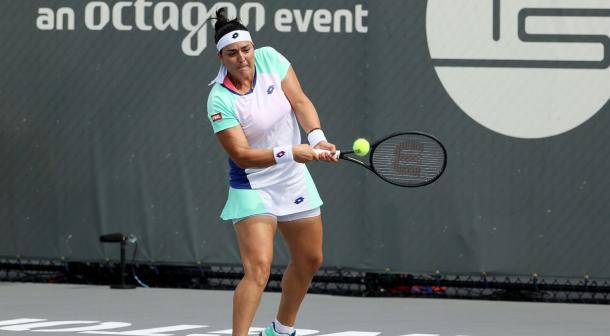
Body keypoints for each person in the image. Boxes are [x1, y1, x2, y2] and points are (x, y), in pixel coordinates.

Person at [206, 8, 337, 336]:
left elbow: (300, 101)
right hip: (253, 187)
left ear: (253, 47)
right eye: (232, 53)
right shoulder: (219, 99)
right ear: (221, 57)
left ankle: (280, 330)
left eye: (246, 50)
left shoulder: (271, 59)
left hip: (292, 178)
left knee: (310, 260)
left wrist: (317, 138)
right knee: (259, 270)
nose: (242, 58)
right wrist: (291, 151)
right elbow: (242, 155)